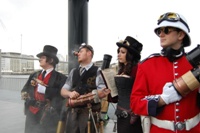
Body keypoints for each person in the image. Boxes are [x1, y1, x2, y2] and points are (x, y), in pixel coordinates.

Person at [130, 12, 200, 133]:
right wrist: (162, 99)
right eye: (159, 31)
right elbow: (135, 103)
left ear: (181, 34)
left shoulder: (194, 63)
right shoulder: (147, 65)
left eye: (166, 30)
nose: (161, 34)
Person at [60, 43, 111, 133]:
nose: (78, 54)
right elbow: (63, 90)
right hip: (73, 114)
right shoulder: (73, 71)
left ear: (89, 53)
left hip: (89, 114)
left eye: (81, 51)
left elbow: (102, 92)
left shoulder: (98, 71)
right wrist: (69, 93)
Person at [21, 45, 67, 133]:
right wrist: (27, 98)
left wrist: (44, 90)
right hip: (31, 113)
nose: (39, 59)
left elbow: (61, 96)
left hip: (49, 116)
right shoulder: (34, 75)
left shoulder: (61, 78)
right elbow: (25, 89)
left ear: (51, 60)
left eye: (43, 57)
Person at [114, 36, 143, 133]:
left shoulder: (137, 69)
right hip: (120, 113)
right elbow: (117, 96)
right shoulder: (121, 69)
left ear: (130, 54)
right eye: (118, 52)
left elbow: (142, 91)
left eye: (122, 52)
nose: (118, 55)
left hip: (132, 115)